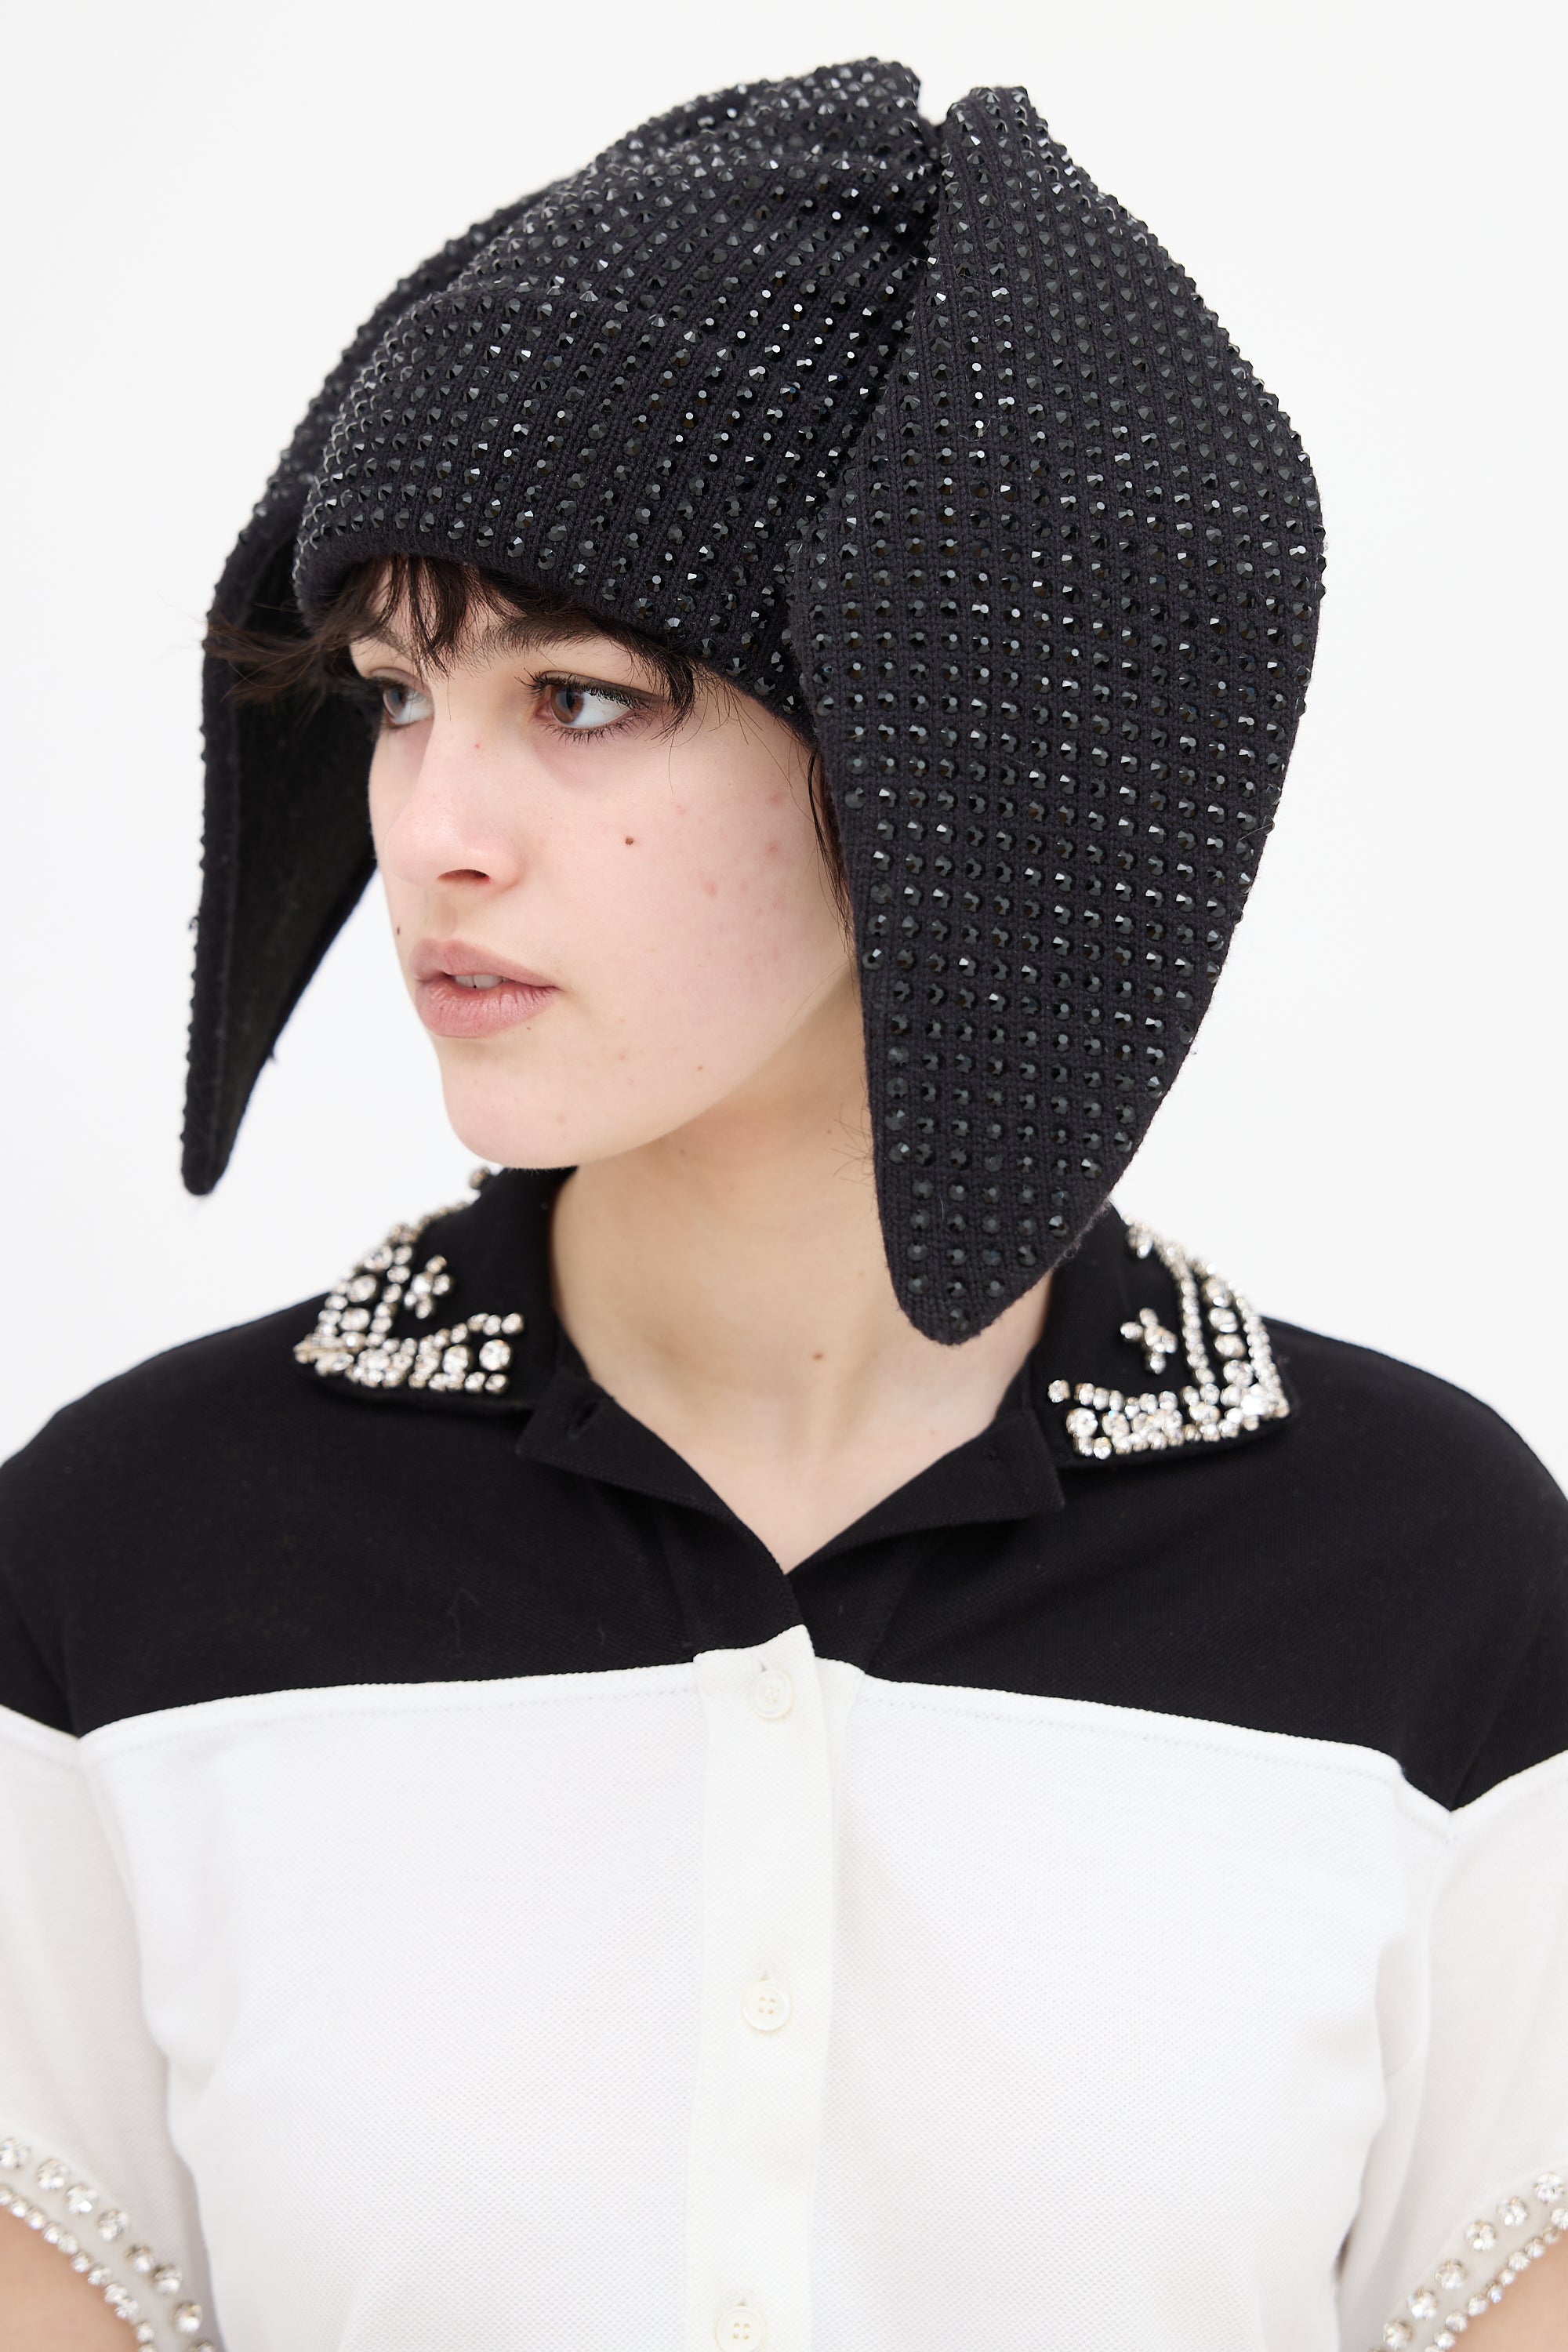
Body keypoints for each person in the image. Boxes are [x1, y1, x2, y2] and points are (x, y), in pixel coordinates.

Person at [1, 58, 1563, 2352]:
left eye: (582, 700)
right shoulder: (131, 1558)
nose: (434, 827)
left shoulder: (1429, 1584)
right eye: (402, 692)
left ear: (963, 739)